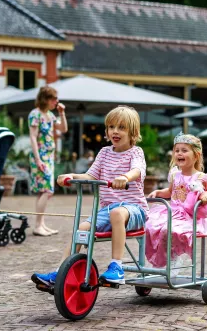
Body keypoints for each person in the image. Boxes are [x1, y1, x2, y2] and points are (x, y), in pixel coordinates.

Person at [31, 105, 148, 285]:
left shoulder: (135, 152)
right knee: (82, 228)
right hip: (107, 210)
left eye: (122, 128)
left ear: (133, 132)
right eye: (111, 127)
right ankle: (60, 272)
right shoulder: (104, 152)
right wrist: (72, 176)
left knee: (117, 213)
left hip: (134, 209)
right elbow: (91, 175)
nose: (115, 132)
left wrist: (125, 177)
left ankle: (116, 267)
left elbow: (137, 170)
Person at [145, 133, 207, 269]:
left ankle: (173, 258)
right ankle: (162, 259)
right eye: (177, 150)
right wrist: (158, 192)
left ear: (196, 155)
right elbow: (170, 191)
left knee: (169, 229)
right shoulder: (174, 174)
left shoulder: (201, 177)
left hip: (190, 216)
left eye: (184, 151)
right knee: (151, 225)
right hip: (173, 212)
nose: (179, 153)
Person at [29, 86, 68, 236]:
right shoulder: (35, 114)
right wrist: (38, 159)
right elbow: (33, 137)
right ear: (46, 99)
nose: (56, 101)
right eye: (54, 99)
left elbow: (63, 129)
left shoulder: (50, 115)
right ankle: (38, 226)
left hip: (48, 157)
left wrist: (62, 113)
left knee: (42, 192)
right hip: (41, 157)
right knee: (48, 191)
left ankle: (41, 224)